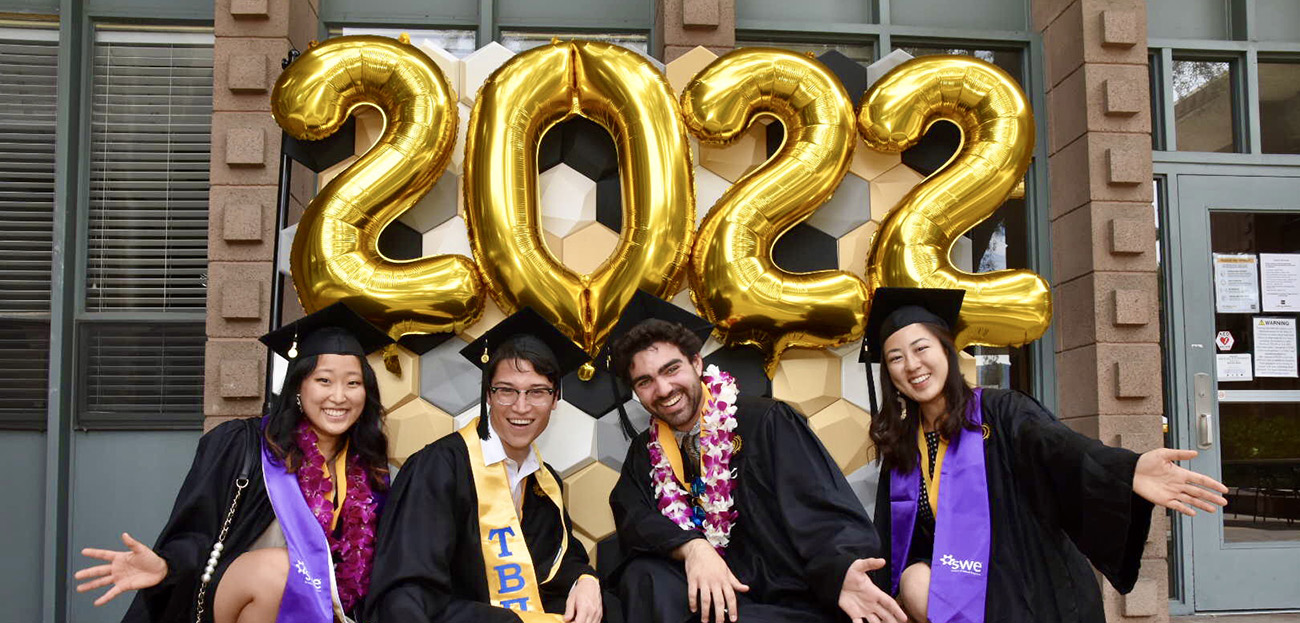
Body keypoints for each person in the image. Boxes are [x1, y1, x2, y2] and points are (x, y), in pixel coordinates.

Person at [862, 287, 1229, 623]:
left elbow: (1062, 449)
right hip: (957, 579)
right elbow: (895, 538)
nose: (912, 365)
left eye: (922, 348)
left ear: (946, 350)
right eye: (896, 357)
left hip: (1024, 575)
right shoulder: (904, 446)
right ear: (889, 374)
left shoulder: (1000, 412)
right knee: (914, 580)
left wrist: (1127, 470)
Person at [74, 302, 396, 623]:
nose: (339, 397)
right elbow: (195, 531)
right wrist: (167, 566)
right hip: (232, 599)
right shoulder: (246, 445)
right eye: (324, 381)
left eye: (353, 383)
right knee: (280, 570)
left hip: (330, 613)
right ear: (299, 386)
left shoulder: (370, 473)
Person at [606, 292, 906, 623]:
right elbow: (635, 518)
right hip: (710, 601)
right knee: (643, 575)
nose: (663, 389)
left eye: (671, 369)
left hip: (783, 602)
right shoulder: (647, 453)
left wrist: (842, 568)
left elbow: (818, 506)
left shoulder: (764, 421)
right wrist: (693, 547)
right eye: (645, 381)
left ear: (696, 362)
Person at [365, 307, 608, 623]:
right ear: (488, 395)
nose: (521, 407)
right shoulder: (439, 468)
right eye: (506, 390)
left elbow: (560, 558)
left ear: (555, 398)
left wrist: (586, 580)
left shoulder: (544, 483)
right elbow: (408, 590)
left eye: (537, 392)